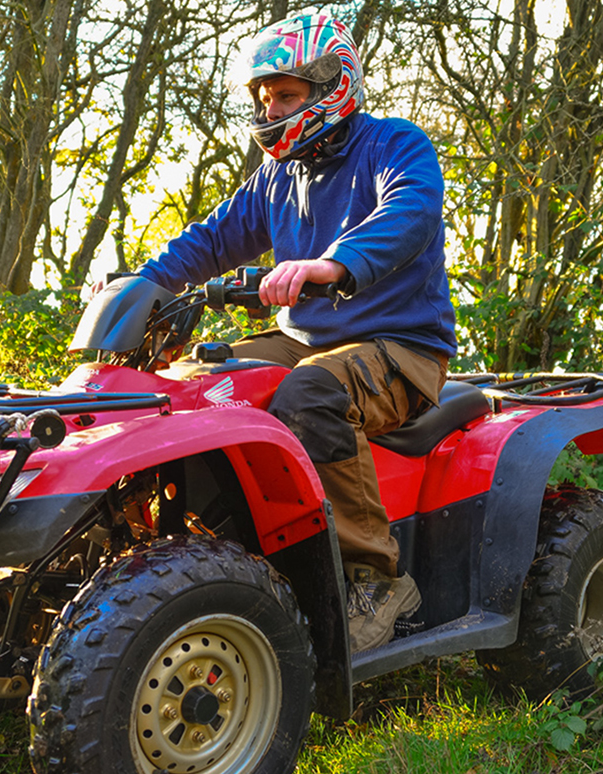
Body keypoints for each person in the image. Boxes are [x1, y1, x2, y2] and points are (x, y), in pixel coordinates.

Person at [136, 14, 457, 651]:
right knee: (196, 387)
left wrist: (332, 263)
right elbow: (214, 238)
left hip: (401, 347)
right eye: (263, 97)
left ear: (331, 86)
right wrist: (142, 285)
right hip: (308, 341)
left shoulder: (395, 145)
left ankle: (374, 579)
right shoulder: (280, 176)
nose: (270, 108)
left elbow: (410, 212)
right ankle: (207, 551)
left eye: (285, 95)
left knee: (309, 395)